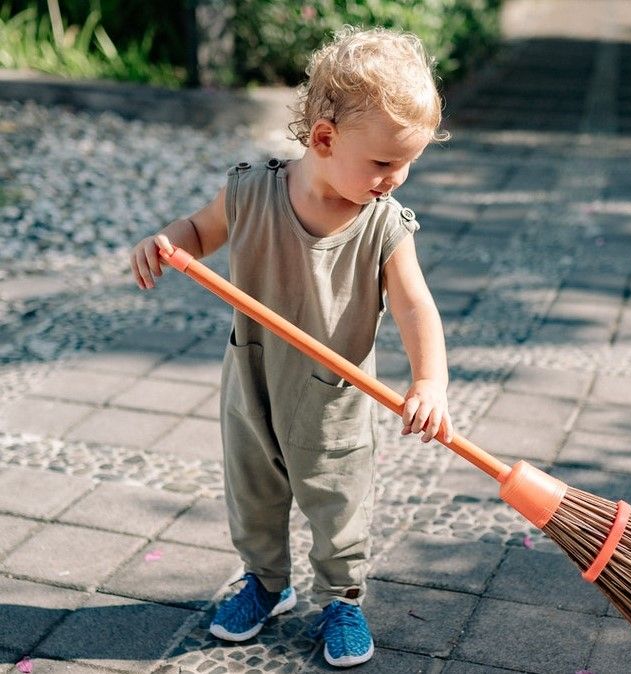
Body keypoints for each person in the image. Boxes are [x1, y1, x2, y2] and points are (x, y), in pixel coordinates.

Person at [129, 26, 455, 668]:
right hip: (251, 378)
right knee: (252, 490)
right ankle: (265, 582)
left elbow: (417, 304)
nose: (398, 178)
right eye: (385, 163)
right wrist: (165, 244)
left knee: (336, 498)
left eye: (407, 163)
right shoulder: (251, 191)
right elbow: (197, 230)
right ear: (325, 139)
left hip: (333, 395)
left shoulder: (383, 224)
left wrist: (430, 382)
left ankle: (342, 597)